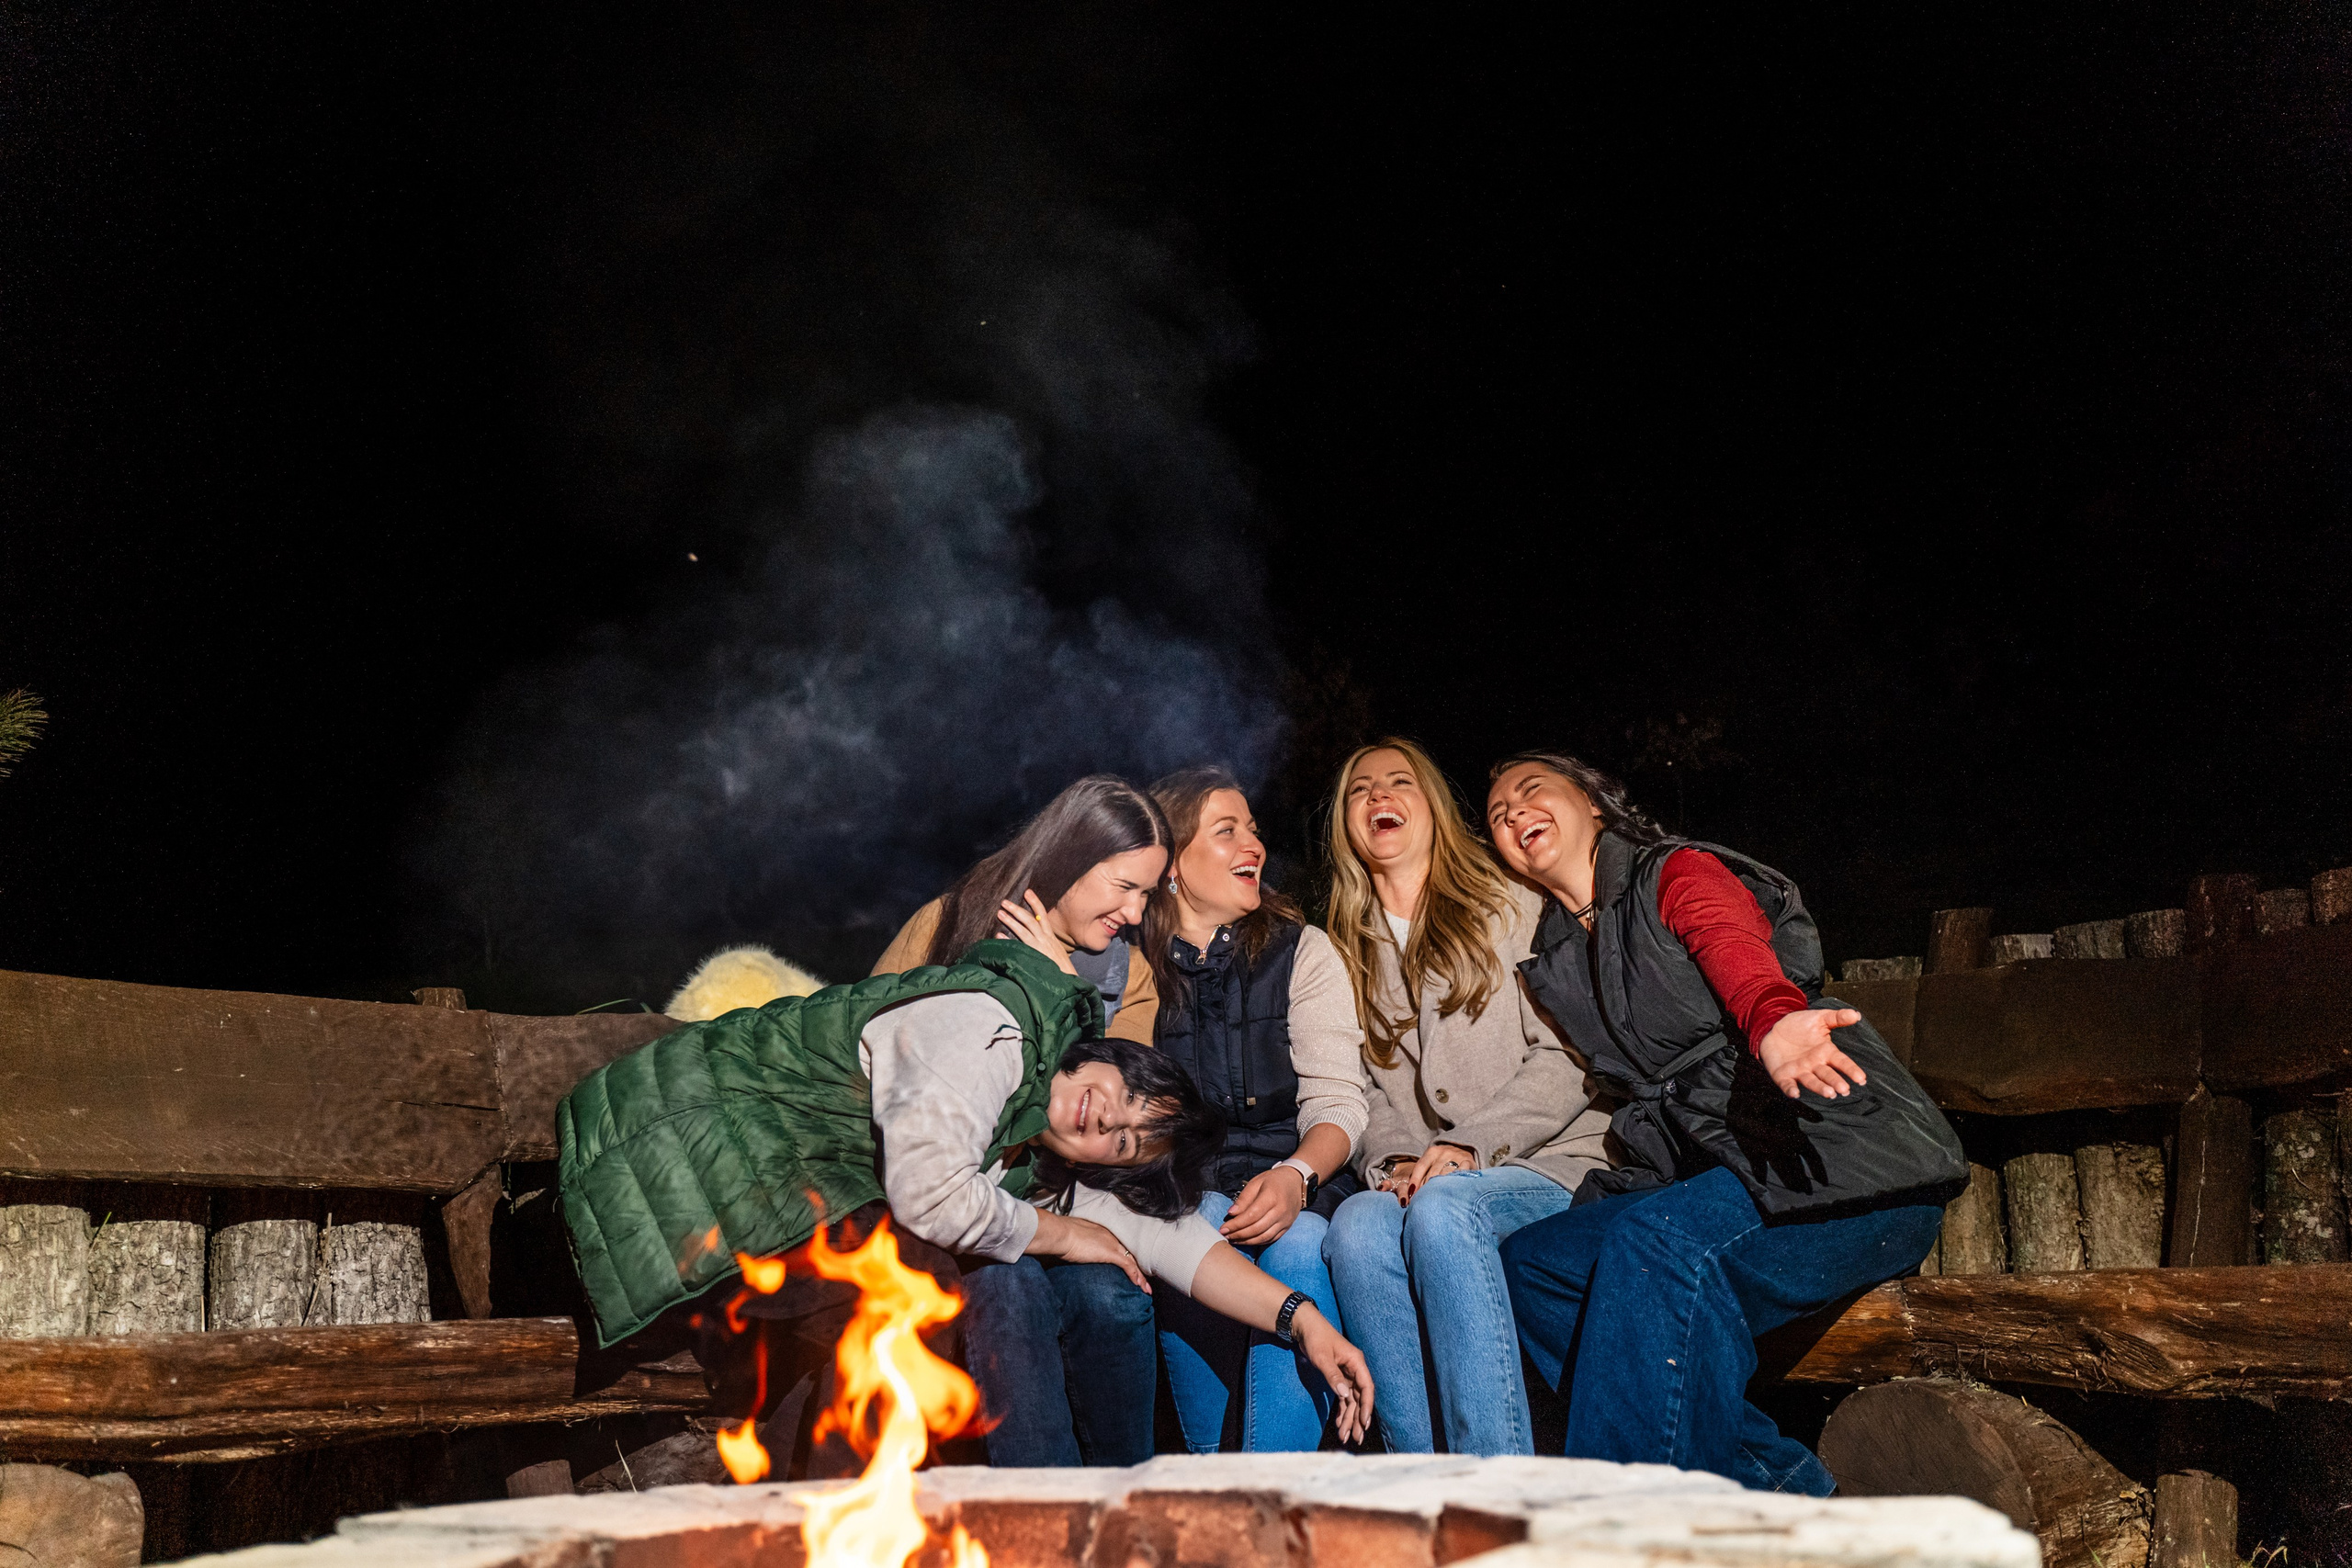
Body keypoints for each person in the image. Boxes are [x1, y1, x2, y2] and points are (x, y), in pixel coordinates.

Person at [559, 924, 1375, 1478]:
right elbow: (929, 1196)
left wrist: (1303, 1318)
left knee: (915, 1296)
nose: (1107, 1119)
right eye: (1124, 1092)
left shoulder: (1043, 1156)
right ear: (1097, 1056)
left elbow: (1182, 1248)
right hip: (655, 1185)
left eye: (1127, 1141)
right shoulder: (993, 1037)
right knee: (934, 1278)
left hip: (734, 1227)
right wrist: (1058, 1234)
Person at [1484, 750, 1968, 1495]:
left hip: (1845, 1170)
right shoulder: (1557, 953)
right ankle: (1785, 1500)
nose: (1514, 810)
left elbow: (1732, 945)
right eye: (1497, 813)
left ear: (1595, 803)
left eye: (1531, 789)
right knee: (1537, 1263)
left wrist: (1772, 1020)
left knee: (1655, 1246)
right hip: (1727, 1184)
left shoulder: (1674, 872)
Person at [1316, 739, 1614, 1455]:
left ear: (1434, 808)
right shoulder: (1342, 947)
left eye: (1400, 781)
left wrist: (1468, 1145)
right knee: (1356, 1224)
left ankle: (1496, 1484)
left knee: (1446, 1211)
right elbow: (1361, 1085)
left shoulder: (1510, 906)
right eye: (1359, 788)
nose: (1378, 795)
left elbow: (1569, 1057)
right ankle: (1424, 1484)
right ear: (1346, 824)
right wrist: (1392, 1160)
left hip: (1551, 1160)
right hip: (1431, 1174)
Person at [1140, 765, 1369, 1452]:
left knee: (1297, 1243)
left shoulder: (1301, 951)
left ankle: (1270, 1486)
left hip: (1299, 1182)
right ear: (1171, 863)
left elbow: (1339, 1102)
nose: (1254, 845)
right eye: (1226, 830)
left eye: (1254, 829)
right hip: (1191, 1197)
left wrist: (1297, 1175)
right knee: (1199, 1221)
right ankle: (1222, 1480)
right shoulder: (1135, 967)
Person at [872, 774, 1167, 1043]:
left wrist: (1069, 991)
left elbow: (1118, 1081)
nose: (1135, 914)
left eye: (1146, 894)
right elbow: (862, 1034)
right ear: (1068, 860)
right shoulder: (948, 920)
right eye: (1124, 886)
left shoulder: (1131, 977)